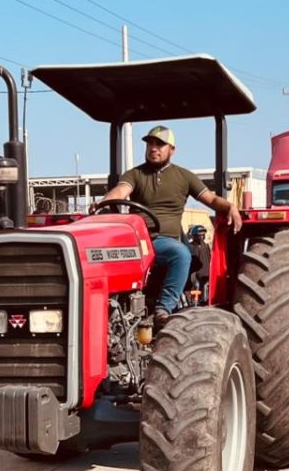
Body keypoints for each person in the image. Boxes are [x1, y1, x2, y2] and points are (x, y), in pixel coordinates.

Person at [100, 125, 242, 324]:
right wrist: (103, 202)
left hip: (162, 241)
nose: (154, 148)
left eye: (160, 144)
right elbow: (121, 191)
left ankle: (163, 309)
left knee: (181, 254)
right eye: (150, 143)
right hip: (135, 239)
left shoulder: (184, 176)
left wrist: (230, 206)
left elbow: (210, 198)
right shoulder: (135, 174)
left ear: (172, 149)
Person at [185, 225, 212, 305]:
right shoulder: (190, 246)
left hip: (206, 273)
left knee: (205, 290)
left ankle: (204, 302)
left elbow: (209, 258)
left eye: (203, 235)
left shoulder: (206, 246)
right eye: (199, 235)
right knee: (194, 289)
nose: (201, 237)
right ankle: (193, 303)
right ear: (194, 236)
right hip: (194, 274)